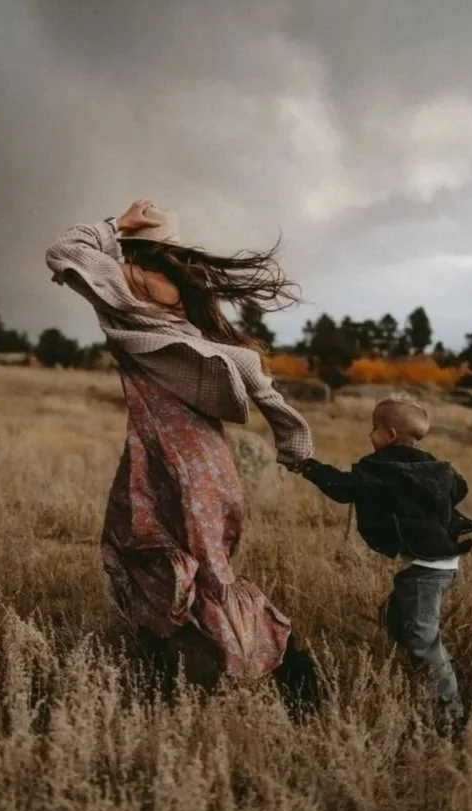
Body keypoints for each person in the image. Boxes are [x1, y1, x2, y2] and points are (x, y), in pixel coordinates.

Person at [46, 199, 322, 712]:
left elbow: (64, 249)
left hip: (170, 453)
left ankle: (285, 671)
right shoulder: (183, 305)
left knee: (169, 557)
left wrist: (116, 223)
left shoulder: (128, 285)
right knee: (172, 555)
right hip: (199, 453)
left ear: (134, 245)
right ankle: (164, 672)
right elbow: (256, 378)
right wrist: (293, 442)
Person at [294, 392, 472, 729]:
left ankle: (450, 714)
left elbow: (342, 487)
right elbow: (461, 487)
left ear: (390, 435)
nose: (369, 435)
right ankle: (423, 664)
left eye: (374, 428)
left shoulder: (382, 470)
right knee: (398, 620)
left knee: (421, 638)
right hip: (440, 563)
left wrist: (307, 466)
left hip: (425, 570)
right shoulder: (434, 467)